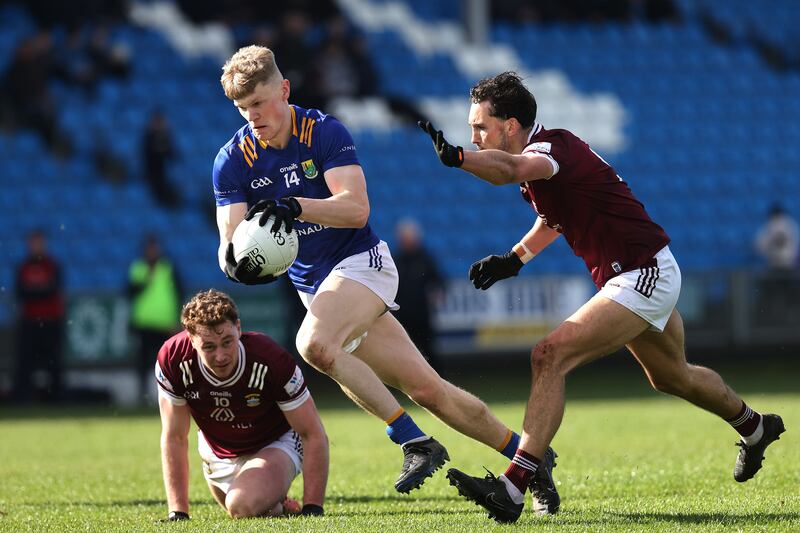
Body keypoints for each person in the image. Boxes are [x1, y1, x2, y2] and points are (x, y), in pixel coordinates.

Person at [419, 71, 786, 523]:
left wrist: (457, 159)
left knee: (549, 355)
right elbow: (554, 219)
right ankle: (756, 427)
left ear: (510, 126)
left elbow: (510, 169)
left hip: (641, 272)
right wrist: (513, 260)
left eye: (480, 127)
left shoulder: (548, 150)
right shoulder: (544, 159)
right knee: (672, 376)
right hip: (642, 271)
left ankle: (513, 487)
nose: (474, 136)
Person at [212, 46, 545, 498]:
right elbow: (229, 243)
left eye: (258, 102)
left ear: (284, 90)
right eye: (241, 108)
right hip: (320, 291)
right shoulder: (231, 160)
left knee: (312, 344)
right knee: (430, 390)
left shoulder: (323, 132)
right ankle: (530, 459)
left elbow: (355, 209)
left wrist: (295, 206)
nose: (251, 116)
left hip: (363, 266)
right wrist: (235, 266)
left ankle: (412, 440)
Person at [156, 289, 328, 520]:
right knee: (242, 508)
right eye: (209, 347)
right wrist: (178, 512)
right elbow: (174, 436)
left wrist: (313, 508)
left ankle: (269, 492)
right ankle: (278, 503)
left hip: (275, 444)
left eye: (227, 342)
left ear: (238, 328)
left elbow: (313, 432)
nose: (221, 356)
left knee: (241, 504)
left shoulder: (270, 360)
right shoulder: (173, 359)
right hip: (217, 450)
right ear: (190, 338)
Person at [128, 235, 182, 401]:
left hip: (164, 324)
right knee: (143, 363)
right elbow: (130, 293)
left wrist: (176, 320)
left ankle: (169, 395)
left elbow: (178, 293)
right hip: (144, 323)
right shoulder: (137, 268)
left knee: (166, 363)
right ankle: (143, 395)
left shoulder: (168, 268)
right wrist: (145, 280)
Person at [13, 229, 64, 403]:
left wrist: (33, 291)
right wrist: (40, 290)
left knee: (54, 363)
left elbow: (52, 289)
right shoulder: (23, 267)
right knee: (25, 363)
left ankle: (56, 399)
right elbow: (21, 292)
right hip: (30, 321)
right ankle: (23, 398)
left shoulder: (52, 265)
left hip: (50, 321)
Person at [393, 218, 444, 373]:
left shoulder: (425, 258)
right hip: (402, 315)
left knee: (429, 349)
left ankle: (438, 380)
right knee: (404, 351)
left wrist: (437, 293)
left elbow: (439, 280)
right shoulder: (395, 260)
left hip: (423, 313)